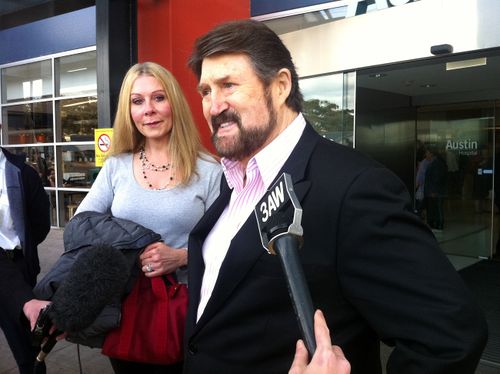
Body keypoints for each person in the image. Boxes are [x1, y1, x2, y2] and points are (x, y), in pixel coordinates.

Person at [184, 19, 488, 374]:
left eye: (229, 85)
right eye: (206, 91)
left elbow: (451, 338)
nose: (213, 105)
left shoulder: (355, 188)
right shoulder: (234, 178)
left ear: (280, 86)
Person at [74, 62, 222, 374]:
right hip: (126, 309)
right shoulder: (116, 167)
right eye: (137, 101)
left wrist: (181, 256)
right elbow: (82, 223)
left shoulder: (209, 171)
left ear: (174, 104)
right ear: (129, 112)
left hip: (184, 309)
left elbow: (229, 245)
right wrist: (133, 246)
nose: (149, 110)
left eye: (158, 98)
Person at [0, 145, 51, 374]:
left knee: (27, 353)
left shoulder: (22, 172)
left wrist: (24, 253)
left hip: (16, 267)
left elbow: (40, 223)